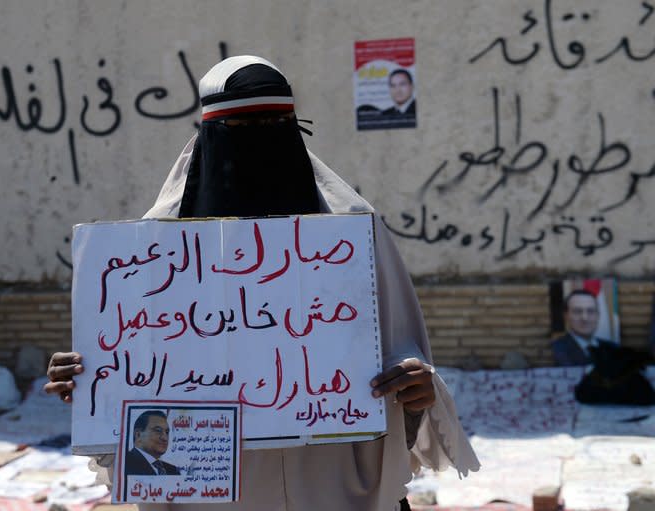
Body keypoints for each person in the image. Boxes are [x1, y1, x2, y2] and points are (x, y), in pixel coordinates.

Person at [46, 55, 478, 510]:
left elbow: (405, 380)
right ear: (208, 139)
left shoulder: (354, 241)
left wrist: (416, 392)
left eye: (275, 126)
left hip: (335, 486)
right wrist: (90, 381)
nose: (258, 151)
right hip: (209, 489)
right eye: (238, 132)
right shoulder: (151, 257)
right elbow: (130, 397)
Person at [551, 289, 618, 366]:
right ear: (566, 316)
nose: (585, 318)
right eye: (577, 311)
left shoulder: (613, 349)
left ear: (598, 315)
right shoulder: (554, 351)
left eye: (590, 311)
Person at [125, 410, 180, 477]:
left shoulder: (172, 470)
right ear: (138, 435)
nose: (165, 438)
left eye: (167, 432)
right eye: (158, 431)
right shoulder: (125, 463)